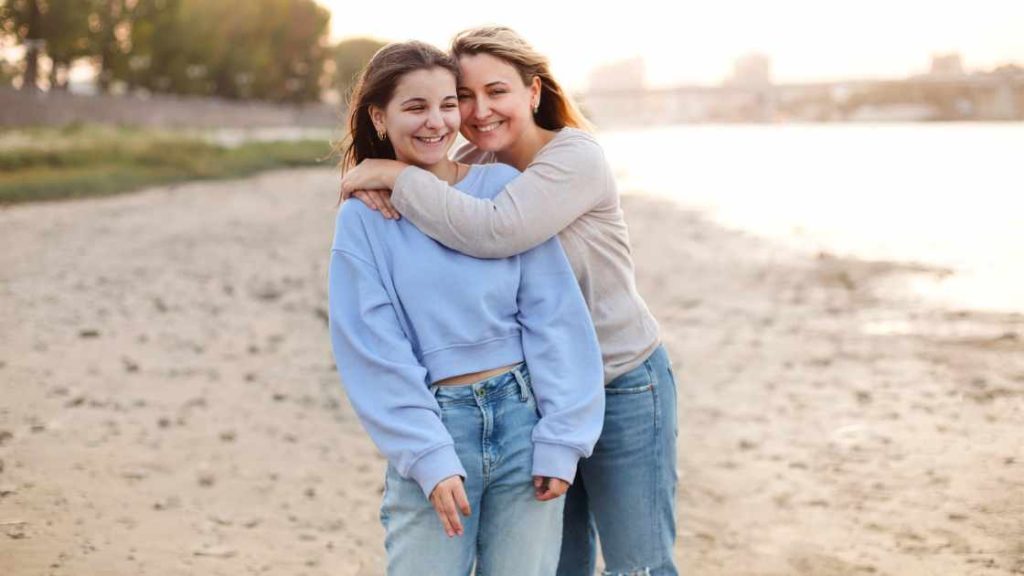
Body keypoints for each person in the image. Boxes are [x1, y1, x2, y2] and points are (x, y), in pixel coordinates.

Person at [339, 27, 679, 576]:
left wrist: (392, 172)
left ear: (534, 92)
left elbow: (495, 231)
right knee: (561, 564)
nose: (476, 111)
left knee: (638, 565)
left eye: (496, 92)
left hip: (620, 381)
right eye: (464, 97)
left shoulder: (573, 158)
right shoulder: (475, 167)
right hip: (542, 394)